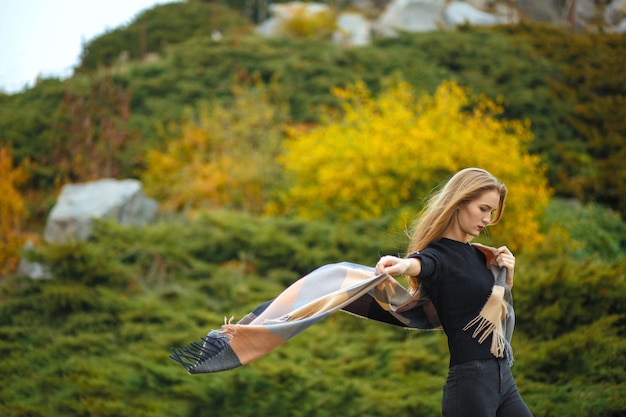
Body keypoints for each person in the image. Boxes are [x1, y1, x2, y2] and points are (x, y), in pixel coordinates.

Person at [375, 167, 533, 417]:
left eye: (491, 213)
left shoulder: (479, 256)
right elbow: (424, 264)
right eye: (483, 209)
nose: (488, 219)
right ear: (459, 202)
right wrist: (403, 265)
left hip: (502, 376)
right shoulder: (438, 255)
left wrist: (507, 279)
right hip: (471, 382)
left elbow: (491, 313)